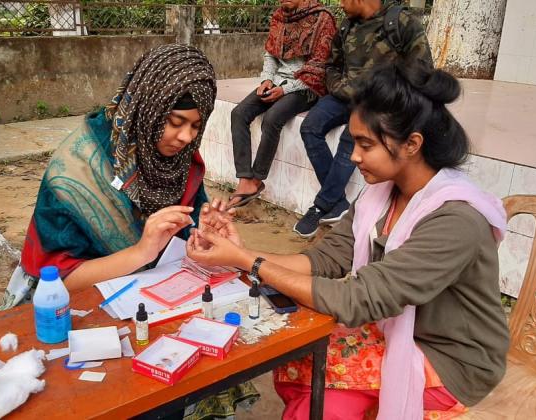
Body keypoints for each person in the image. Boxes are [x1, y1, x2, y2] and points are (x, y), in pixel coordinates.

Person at [188, 62, 509, 419]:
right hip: (394, 329)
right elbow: (325, 259)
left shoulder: (455, 220)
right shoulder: (382, 195)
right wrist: (237, 253)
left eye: (365, 144)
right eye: (354, 141)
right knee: (299, 366)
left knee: (311, 381)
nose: (354, 156)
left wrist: (249, 262)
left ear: (412, 144)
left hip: (453, 360)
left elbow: (357, 299)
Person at [0, 44, 258, 419]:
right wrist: (140, 252)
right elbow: (56, 281)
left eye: (196, 126)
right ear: (149, 108)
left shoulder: (177, 159)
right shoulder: (77, 170)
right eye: (176, 122)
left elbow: (183, 232)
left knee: (191, 369)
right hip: (83, 312)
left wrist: (202, 232)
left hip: (156, 299)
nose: (186, 137)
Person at [293, 0, 433, 238]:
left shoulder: (401, 22)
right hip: (345, 97)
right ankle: (337, 202)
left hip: (380, 100)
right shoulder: (346, 26)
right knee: (310, 126)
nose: (340, 4)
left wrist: (389, 96)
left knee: (353, 137)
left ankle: (321, 205)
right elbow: (332, 66)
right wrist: (341, 88)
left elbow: (423, 70)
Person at [228, 0, 337, 208]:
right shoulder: (280, 16)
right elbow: (271, 54)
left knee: (272, 119)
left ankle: (256, 180)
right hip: (277, 81)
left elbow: (320, 66)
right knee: (238, 113)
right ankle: (244, 179)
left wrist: (285, 90)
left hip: (307, 86)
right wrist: (266, 80)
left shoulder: (323, 18)